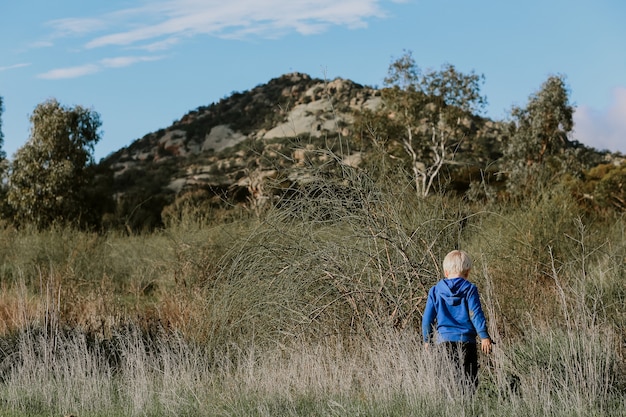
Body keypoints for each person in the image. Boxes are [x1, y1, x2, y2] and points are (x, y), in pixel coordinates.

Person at [422, 250, 492, 390]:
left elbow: (427, 319)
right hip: (467, 342)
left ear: (446, 272)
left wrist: (427, 340)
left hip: (444, 342)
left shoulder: (435, 291)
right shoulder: (470, 289)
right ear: (467, 273)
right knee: (469, 383)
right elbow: (475, 314)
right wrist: (484, 335)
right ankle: (467, 410)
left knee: (447, 383)